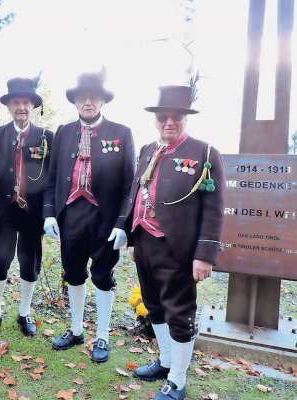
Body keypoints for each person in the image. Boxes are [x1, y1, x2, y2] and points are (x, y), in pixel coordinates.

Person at [119, 85, 224, 400]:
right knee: (153, 305)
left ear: (184, 118)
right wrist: (126, 229)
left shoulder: (204, 154)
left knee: (179, 312)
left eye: (175, 117)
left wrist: (204, 255)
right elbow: (136, 192)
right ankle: (166, 362)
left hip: (178, 248)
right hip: (144, 242)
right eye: (163, 117)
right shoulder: (148, 150)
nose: (169, 122)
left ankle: (177, 380)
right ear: (156, 119)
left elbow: (214, 209)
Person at [43, 72, 135, 363]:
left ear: (102, 100)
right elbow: (51, 177)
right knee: (73, 274)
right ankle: (76, 329)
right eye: (82, 97)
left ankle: (103, 335)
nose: (88, 102)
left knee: (103, 276)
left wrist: (123, 224)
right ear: (75, 101)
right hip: (71, 216)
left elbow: (130, 185)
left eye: (94, 96)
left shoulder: (121, 133)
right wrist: (48, 214)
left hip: (105, 220)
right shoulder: (64, 132)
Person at [0, 77, 53, 338]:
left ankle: (24, 312)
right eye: (16, 102)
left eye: (26, 102)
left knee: (29, 263)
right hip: (3, 212)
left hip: (32, 213)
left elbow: (51, 179)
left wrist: (47, 215)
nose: (21, 107)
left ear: (32, 106)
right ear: (9, 106)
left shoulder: (46, 137)